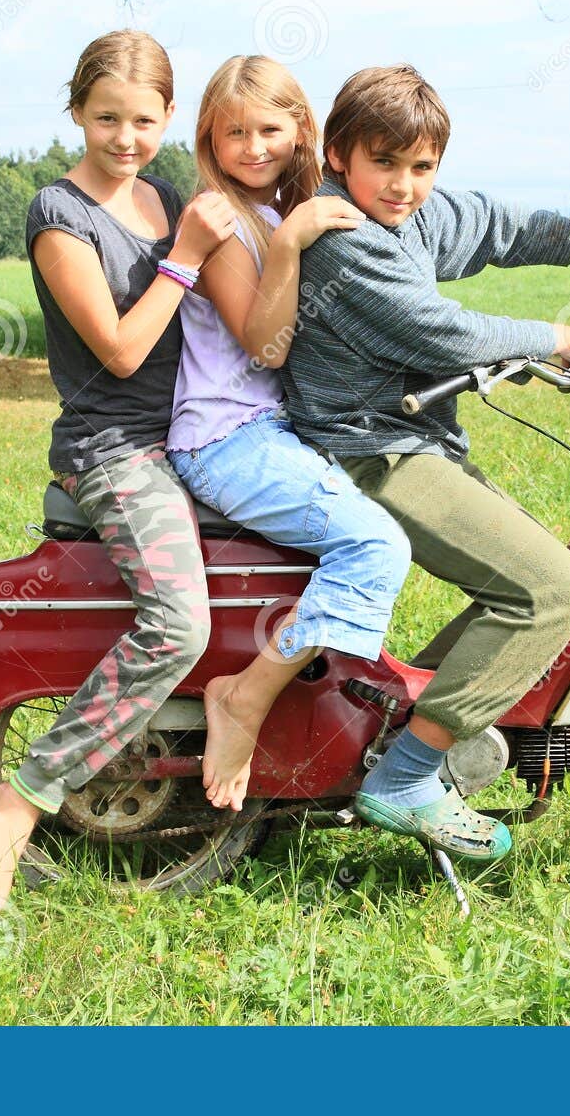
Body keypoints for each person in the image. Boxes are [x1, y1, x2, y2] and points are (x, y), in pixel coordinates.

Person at [281, 64, 570, 862]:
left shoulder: (410, 215)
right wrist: (563, 339)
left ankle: (386, 727)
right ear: (338, 153)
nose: (405, 184)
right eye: (385, 162)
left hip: (412, 438)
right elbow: (440, 330)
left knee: (527, 583)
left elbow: (495, 224)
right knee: (551, 589)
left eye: (422, 167)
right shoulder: (343, 239)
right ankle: (406, 775)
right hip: (367, 451)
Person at [0, 30, 236, 913]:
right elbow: (119, 352)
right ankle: (25, 797)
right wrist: (185, 255)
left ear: (168, 120)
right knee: (178, 622)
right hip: (115, 451)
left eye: (145, 120)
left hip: (198, 435)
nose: (126, 137)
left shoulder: (164, 197)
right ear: (76, 110)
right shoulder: (60, 215)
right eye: (107, 117)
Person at [167, 55, 411, 813]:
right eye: (233, 131)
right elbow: (265, 345)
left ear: (301, 130)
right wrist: (286, 245)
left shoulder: (290, 209)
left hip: (275, 431)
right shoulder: (221, 221)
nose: (252, 146)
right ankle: (244, 698)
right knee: (377, 545)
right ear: (210, 136)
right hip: (225, 438)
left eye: (269, 128)